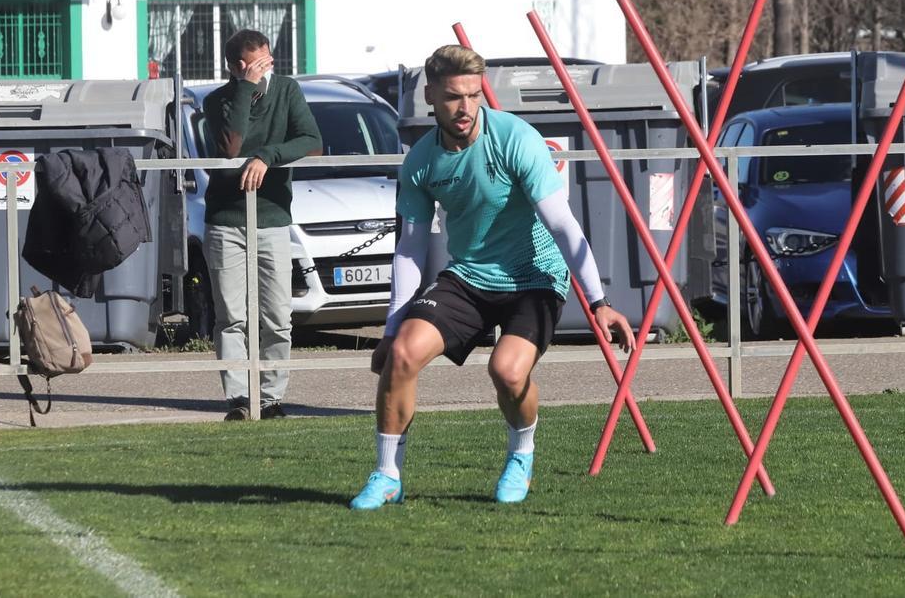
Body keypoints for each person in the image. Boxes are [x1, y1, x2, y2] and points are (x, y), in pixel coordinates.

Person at [350, 45, 635, 510]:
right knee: (402, 354)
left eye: (473, 95)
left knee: (506, 370)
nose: (464, 109)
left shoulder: (516, 139)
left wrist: (598, 300)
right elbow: (410, 248)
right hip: (469, 276)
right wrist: (389, 328)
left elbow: (562, 224)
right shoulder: (421, 162)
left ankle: (521, 456)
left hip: (535, 277)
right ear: (430, 96)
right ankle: (387, 475)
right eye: (452, 97)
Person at [202, 29, 322, 421]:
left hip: (271, 216)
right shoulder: (218, 99)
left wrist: (268, 156)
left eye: (268, 60)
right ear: (237, 66)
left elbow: (311, 140)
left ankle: (270, 397)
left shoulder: (287, 91)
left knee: (277, 315)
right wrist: (245, 88)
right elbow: (229, 148)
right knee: (231, 317)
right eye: (256, 64)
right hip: (226, 221)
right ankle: (237, 398)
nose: (265, 69)